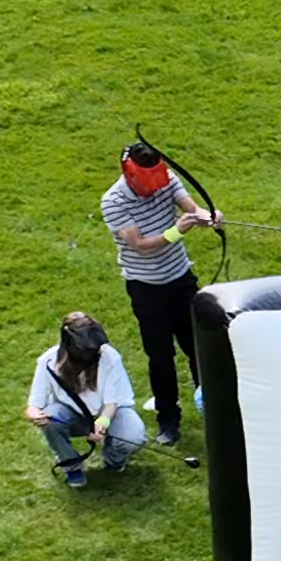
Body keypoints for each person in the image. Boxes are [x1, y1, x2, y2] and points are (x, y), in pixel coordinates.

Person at [98, 140, 222, 448]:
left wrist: (208, 216)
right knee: (160, 356)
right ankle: (168, 419)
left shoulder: (165, 181)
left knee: (198, 347)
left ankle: (212, 409)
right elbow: (139, 244)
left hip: (181, 279)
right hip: (146, 288)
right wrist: (177, 231)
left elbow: (191, 208)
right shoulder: (113, 201)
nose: (154, 190)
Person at [23, 313, 149, 484]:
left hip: (112, 412)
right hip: (73, 414)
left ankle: (114, 459)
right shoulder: (48, 361)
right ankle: (71, 466)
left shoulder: (110, 357)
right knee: (51, 420)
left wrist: (102, 423)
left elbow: (111, 403)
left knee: (133, 437)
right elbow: (34, 404)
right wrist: (35, 415)